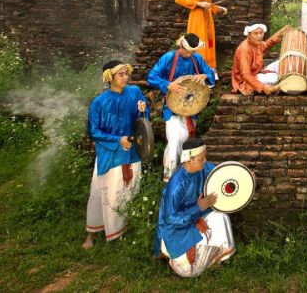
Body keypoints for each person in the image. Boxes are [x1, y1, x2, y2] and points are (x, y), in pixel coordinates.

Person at [83, 60, 148, 249]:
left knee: (127, 193)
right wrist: (118, 140)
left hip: (132, 153)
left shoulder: (134, 92)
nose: (125, 77)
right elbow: (93, 132)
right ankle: (91, 233)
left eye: (126, 73)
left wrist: (144, 111)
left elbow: (142, 123)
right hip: (109, 156)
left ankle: (121, 230)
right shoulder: (99, 102)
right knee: (100, 194)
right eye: (120, 74)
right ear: (109, 78)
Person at [155, 137, 235, 277]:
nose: (205, 161)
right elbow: (170, 218)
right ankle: (168, 253)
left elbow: (220, 173)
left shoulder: (201, 168)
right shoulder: (177, 184)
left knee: (221, 218)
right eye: (201, 158)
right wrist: (198, 207)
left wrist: (243, 176)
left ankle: (212, 257)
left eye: (205, 157)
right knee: (188, 272)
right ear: (188, 159)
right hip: (174, 231)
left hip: (195, 217)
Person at [148, 33, 216, 182]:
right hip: (172, 110)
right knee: (174, 141)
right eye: (187, 51)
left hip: (192, 109)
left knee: (185, 141)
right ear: (181, 46)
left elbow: (212, 75)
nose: (189, 54)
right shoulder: (169, 58)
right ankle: (170, 176)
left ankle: (182, 175)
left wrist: (204, 76)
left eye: (192, 51)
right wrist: (167, 84)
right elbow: (151, 76)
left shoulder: (197, 59)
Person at [174, 0, 228, 71]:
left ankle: (208, 72)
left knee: (208, 43)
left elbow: (208, 4)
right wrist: (198, 3)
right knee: (197, 42)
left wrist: (218, 9)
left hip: (208, 18)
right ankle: (196, 72)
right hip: (196, 18)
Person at [231, 23, 291, 96]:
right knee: (274, 78)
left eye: (261, 33)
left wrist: (280, 32)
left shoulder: (257, 43)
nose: (259, 36)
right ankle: (278, 84)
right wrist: (262, 87)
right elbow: (245, 75)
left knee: (283, 62)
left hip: (256, 74)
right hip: (245, 81)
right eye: (255, 33)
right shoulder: (244, 49)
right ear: (249, 35)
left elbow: (267, 44)